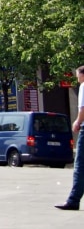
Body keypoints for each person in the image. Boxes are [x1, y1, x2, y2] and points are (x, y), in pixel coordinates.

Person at [57, 65, 84, 210]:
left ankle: (73, 200)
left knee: (80, 165)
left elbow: (82, 109)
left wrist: (78, 122)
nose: (77, 78)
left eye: (78, 75)